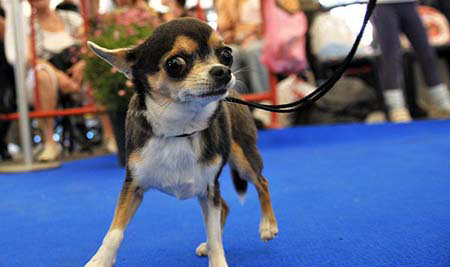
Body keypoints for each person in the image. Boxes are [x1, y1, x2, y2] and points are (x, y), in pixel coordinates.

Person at [372, 0, 450, 122]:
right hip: (383, 5)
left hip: (408, 4)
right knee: (391, 56)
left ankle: (442, 104)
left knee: (427, 54)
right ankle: (397, 108)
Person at [216, 0, 270, 93]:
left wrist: (254, 33)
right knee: (231, 53)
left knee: (254, 51)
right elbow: (224, 28)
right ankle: (236, 100)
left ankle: (264, 100)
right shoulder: (226, 2)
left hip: (266, 37)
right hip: (239, 40)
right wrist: (239, 35)